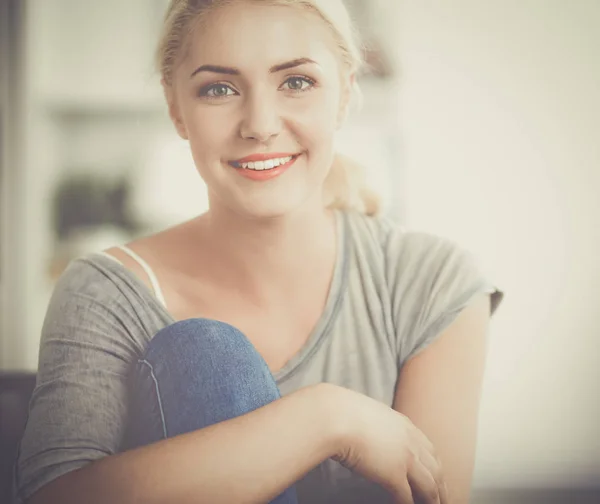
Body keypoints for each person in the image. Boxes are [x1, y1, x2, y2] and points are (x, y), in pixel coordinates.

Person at [14, 1, 504, 503]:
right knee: (205, 356)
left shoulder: (432, 281)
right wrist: (325, 420)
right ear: (175, 107)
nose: (260, 124)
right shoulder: (105, 292)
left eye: (296, 82)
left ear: (345, 93)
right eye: (219, 88)